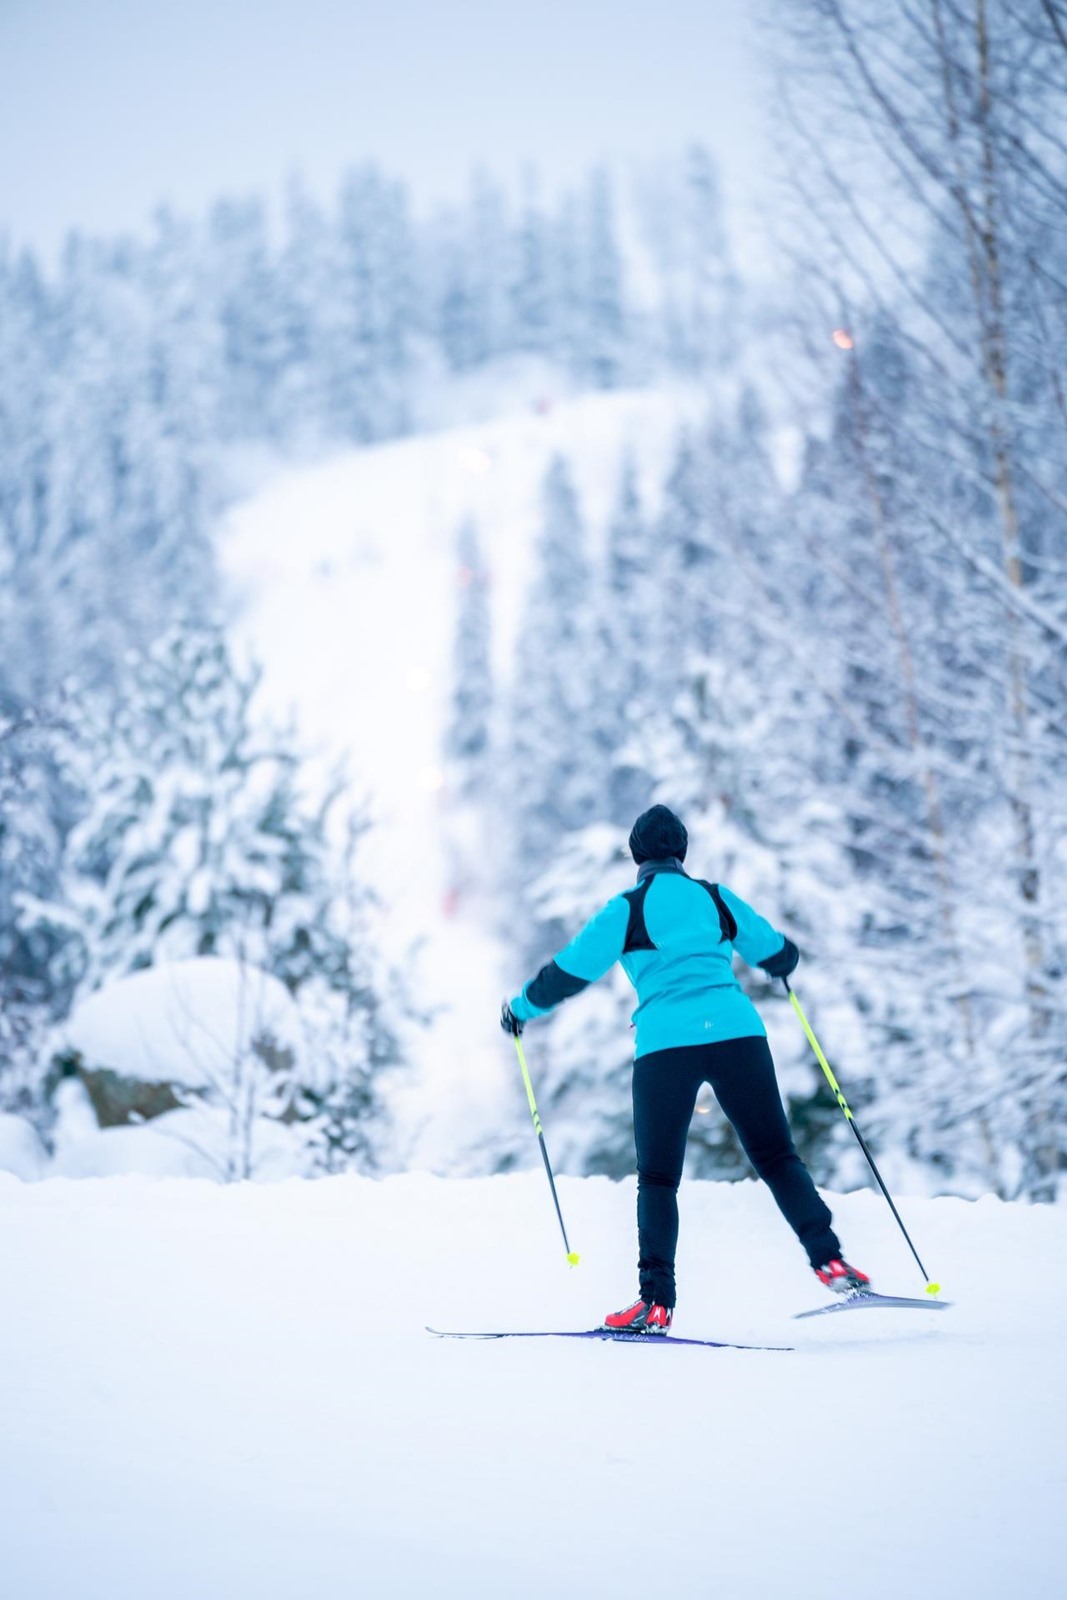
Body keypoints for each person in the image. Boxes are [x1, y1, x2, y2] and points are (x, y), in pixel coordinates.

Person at [500, 804, 869, 1333]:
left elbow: (571, 970)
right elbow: (774, 951)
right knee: (776, 1156)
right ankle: (830, 1261)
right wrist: (783, 959)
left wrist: (520, 1009)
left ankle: (656, 1303)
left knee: (657, 1177)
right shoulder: (715, 898)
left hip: (666, 1046)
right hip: (738, 1035)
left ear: (636, 856)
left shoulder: (627, 909)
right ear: (683, 851)